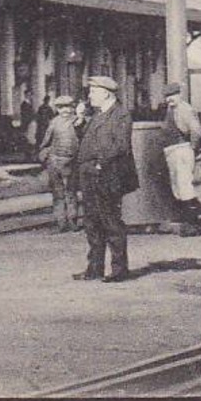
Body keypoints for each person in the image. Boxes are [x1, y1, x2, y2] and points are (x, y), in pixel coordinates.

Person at [73, 76, 137, 283]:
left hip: (107, 174)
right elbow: (89, 139)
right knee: (91, 222)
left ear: (106, 93)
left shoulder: (120, 115)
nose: (89, 96)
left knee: (110, 221)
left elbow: (121, 145)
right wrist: (80, 122)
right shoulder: (98, 115)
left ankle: (119, 270)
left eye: (93, 92)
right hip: (90, 174)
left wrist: (101, 162)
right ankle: (95, 268)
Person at [161, 83, 201, 236]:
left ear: (179, 94)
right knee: (178, 187)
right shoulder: (172, 109)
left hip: (182, 149)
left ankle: (192, 224)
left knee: (184, 186)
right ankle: (185, 221)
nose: (169, 99)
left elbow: (197, 131)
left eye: (171, 96)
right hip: (173, 151)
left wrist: (192, 148)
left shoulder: (184, 109)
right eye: (166, 96)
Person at [38, 95, 82, 232]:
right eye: (62, 107)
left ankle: (62, 222)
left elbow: (45, 142)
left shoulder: (55, 122)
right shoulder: (76, 121)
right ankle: (69, 221)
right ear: (57, 109)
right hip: (67, 162)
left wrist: (44, 154)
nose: (66, 110)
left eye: (68, 107)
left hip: (57, 162)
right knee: (70, 192)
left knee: (61, 193)